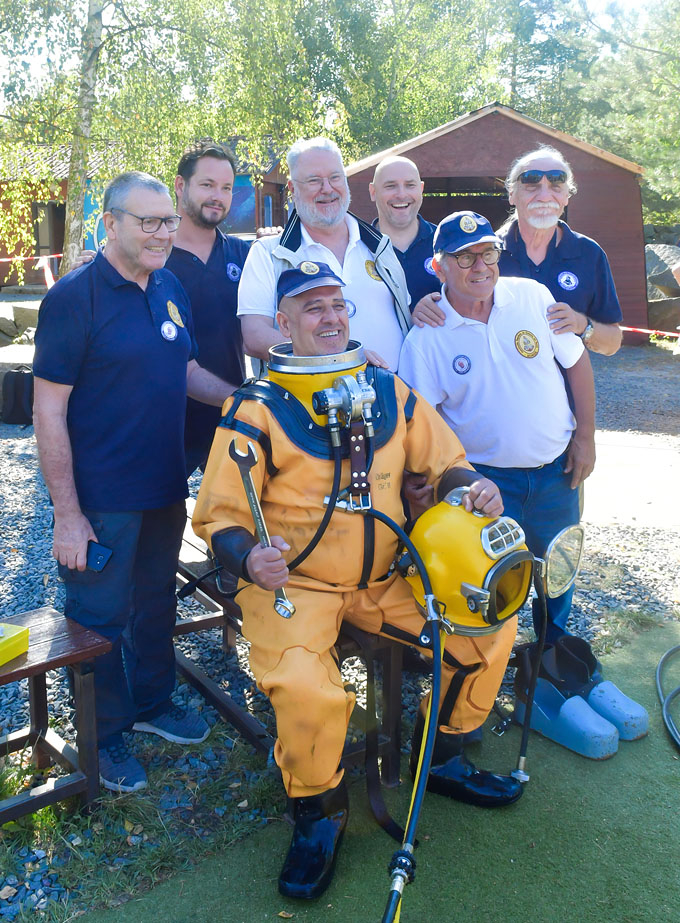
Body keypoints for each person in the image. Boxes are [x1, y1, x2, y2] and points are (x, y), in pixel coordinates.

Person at [193, 262, 524, 901]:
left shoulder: (389, 391)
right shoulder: (254, 408)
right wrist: (246, 559)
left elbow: (445, 459)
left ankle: (447, 755)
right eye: (311, 308)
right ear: (281, 323)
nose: (330, 317)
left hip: (385, 574)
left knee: (486, 631)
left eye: (337, 305)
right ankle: (319, 813)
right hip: (295, 582)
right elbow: (222, 514)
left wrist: (471, 486)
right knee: (305, 687)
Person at [399, 211, 647, 754]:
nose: (478, 266)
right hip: (486, 486)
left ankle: (561, 675)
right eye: (463, 257)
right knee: (495, 591)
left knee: (557, 576)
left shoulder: (532, 296)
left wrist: (587, 438)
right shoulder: (426, 337)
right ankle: (487, 692)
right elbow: (425, 428)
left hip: (557, 470)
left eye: (487, 252)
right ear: (438, 266)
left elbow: (577, 364)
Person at [33, 172, 236, 794]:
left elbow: (188, 369)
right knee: (99, 618)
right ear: (111, 223)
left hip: (161, 488)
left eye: (166, 222)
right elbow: (48, 412)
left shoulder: (169, 284)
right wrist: (68, 516)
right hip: (100, 501)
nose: (160, 233)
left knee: (155, 605)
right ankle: (106, 734)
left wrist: (247, 402)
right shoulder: (75, 298)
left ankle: (151, 706)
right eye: (146, 222)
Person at [77, 139, 249, 474]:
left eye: (226, 187)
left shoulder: (245, 256)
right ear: (181, 186)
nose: (218, 195)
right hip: (161, 422)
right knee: (163, 521)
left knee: (232, 522)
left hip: (227, 410)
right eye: (207, 184)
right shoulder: (147, 256)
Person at [411, 146, 623, 358]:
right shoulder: (486, 256)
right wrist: (425, 307)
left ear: (567, 196)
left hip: (567, 387)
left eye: (556, 186)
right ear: (511, 194)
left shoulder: (590, 254)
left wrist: (582, 325)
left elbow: (612, 343)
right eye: (532, 185)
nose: (544, 195)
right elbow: (447, 306)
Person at [236, 136, 411, 372]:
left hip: (392, 399)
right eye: (314, 180)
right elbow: (255, 337)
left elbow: (405, 316)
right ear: (292, 189)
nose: (327, 189)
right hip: (307, 404)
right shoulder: (269, 254)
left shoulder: (380, 246)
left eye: (335, 177)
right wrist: (341, 360)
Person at [369, 155, 440, 307]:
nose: (401, 194)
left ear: (421, 189)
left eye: (410, 185)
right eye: (390, 186)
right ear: (373, 192)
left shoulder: (445, 244)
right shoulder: (357, 248)